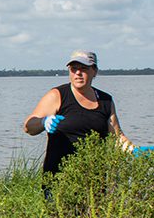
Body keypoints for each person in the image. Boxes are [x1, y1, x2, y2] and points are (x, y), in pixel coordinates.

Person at [23, 50, 134, 179]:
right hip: (59, 180)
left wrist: (134, 150)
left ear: (94, 71)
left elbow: (116, 137)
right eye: (73, 69)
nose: (78, 73)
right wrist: (43, 122)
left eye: (83, 69)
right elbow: (28, 127)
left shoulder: (105, 101)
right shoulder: (57, 95)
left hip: (94, 181)